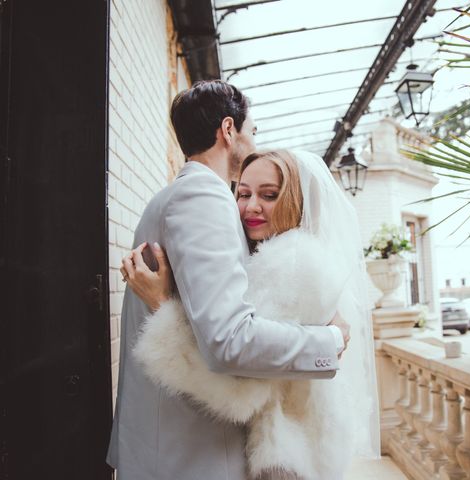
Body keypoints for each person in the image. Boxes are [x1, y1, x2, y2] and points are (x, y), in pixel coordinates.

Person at [107, 81, 352, 480]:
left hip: (175, 445)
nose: (254, 141)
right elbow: (229, 340)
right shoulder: (203, 198)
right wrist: (330, 341)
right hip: (192, 453)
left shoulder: (173, 196)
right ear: (227, 129)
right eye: (251, 130)